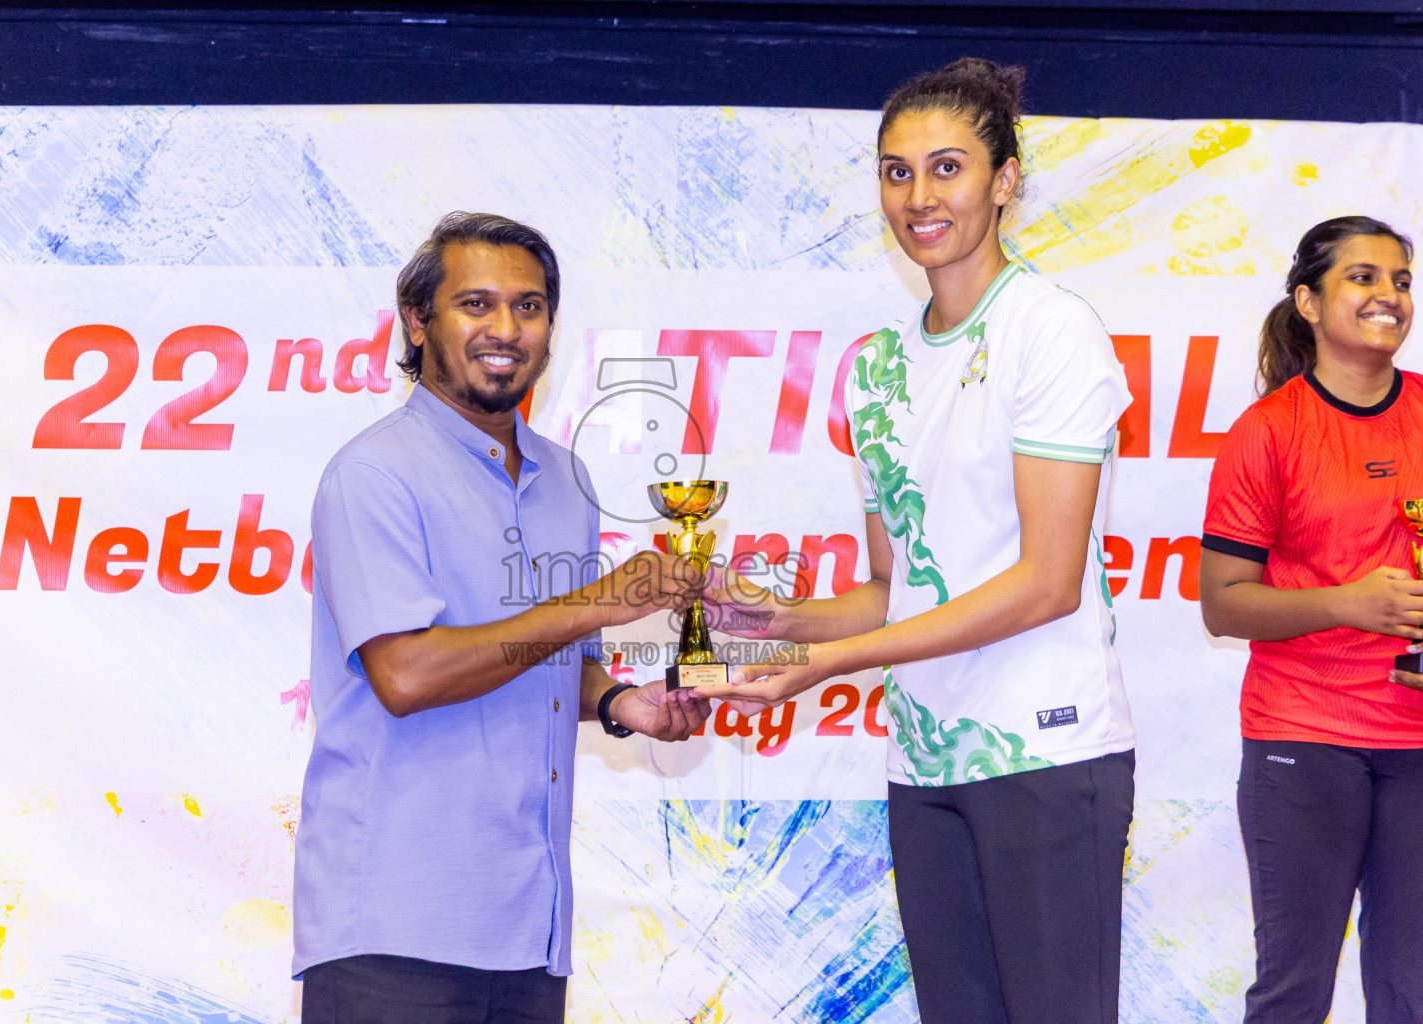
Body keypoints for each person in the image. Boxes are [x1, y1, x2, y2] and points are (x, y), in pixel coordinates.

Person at [693, 59, 1135, 1024]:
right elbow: (893, 588)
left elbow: (1049, 584)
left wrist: (833, 660)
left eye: (947, 168)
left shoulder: (1049, 331)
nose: (920, 197)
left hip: (1044, 750)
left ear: (1005, 180)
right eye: (897, 172)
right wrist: (767, 625)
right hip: (926, 763)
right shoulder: (879, 369)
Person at [292, 211, 711, 1024]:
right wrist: (600, 600)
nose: (505, 329)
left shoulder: (566, 479)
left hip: (529, 930)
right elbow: (407, 674)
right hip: (392, 929)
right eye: (475, 304)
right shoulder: (373, 474)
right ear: (418, 322)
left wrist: (622, 703)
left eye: (528, 307)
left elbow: (557, 659)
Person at [1198, 215, 1423, 1023]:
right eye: (1362, 278)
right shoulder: (1269, 431)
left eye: (1400, 279)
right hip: (1304, 740)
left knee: (1413, 992)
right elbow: (1222, 601)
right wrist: (1350, 603)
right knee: (1295, 993)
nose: (1388, 295)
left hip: (1418, 748)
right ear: (1307, 300)